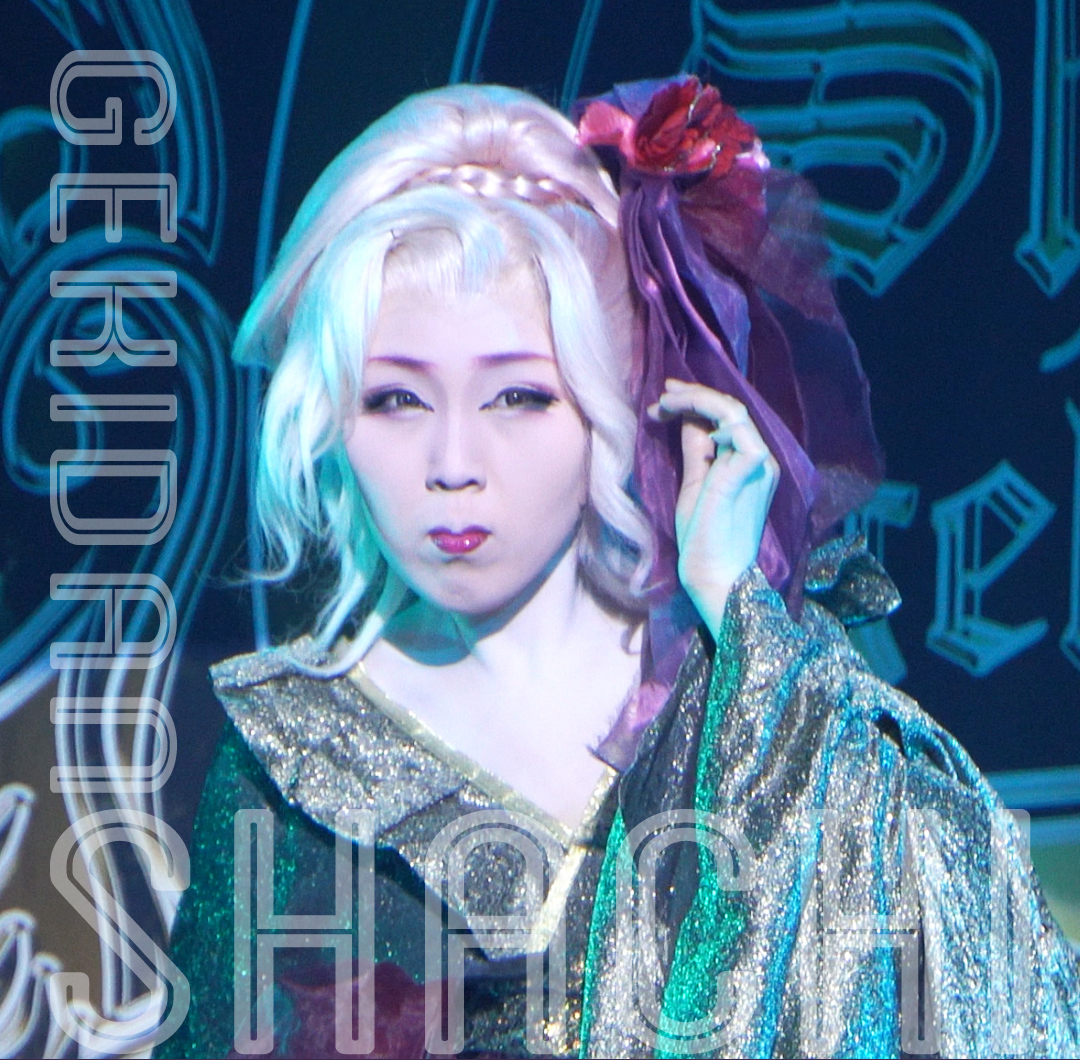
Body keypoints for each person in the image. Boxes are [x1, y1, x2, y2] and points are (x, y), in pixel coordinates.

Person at [158, 79, 1080, 1059]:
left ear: (612, 402)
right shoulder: (290, 763)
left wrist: (743, 615)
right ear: (329, 422)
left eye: (517, 396)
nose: (453, 464)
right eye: (396, 400)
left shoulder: (755, 694)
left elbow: (974, 979)